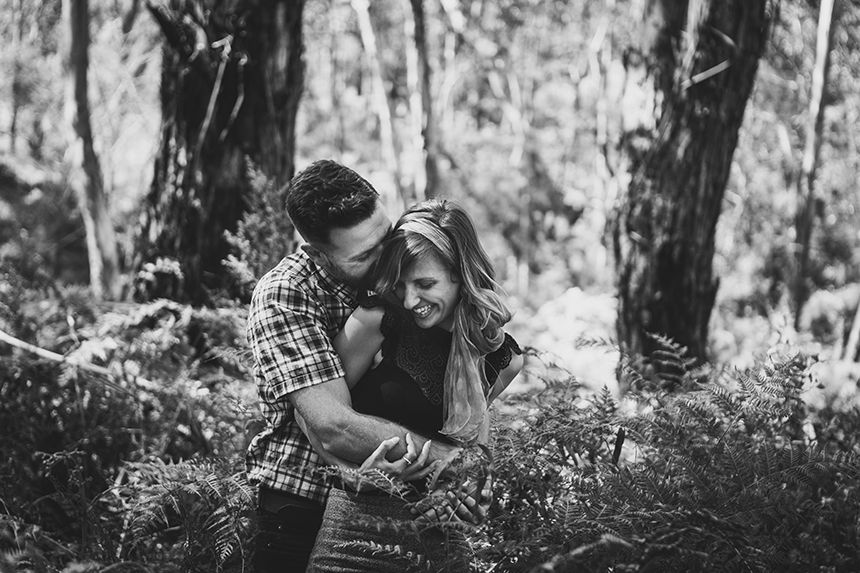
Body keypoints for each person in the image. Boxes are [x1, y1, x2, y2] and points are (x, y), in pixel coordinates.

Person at [245, 160, 457, 573]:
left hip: (402, 502)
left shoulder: (408, 279)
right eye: (364, 255)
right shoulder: (286, 294)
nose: (386, 258)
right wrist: (450, 461)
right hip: (299, 505)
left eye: (386, 237)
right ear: (317, 252)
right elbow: (334, 427)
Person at [305, 198, 524, 573]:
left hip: (439, 544)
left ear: (462, 274)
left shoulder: (503, 358)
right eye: (403, 284)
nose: (410, 300)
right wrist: (347, 472)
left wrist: (469, 495)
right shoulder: (379, 318)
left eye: (425, 284)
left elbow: (471, 454)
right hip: (353, 533)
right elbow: (315, 414)